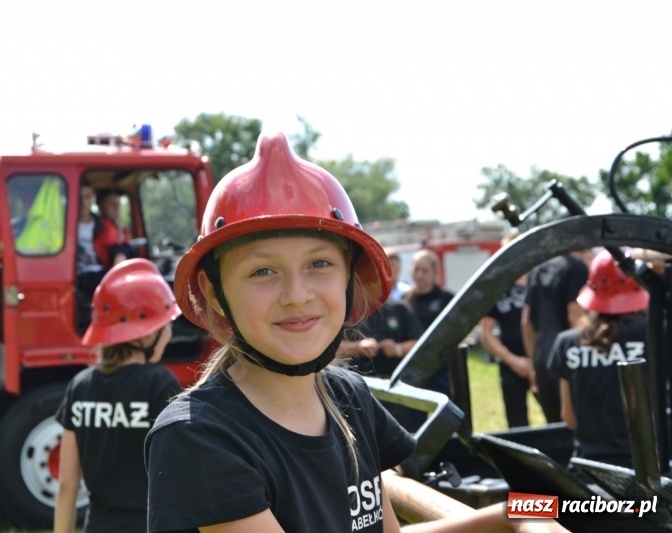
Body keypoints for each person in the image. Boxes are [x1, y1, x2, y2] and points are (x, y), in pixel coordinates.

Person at [145, 132, 560, 533]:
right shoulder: (199, 436)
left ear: (348, 276)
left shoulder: (349, 399)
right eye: (262, 271)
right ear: (214, 294)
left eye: (319, 264)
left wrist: (518, 511)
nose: (296, 295)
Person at [54, 258, 182, 533]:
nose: (169, 334)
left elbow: (67, 484)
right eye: (165, 325)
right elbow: (180, 477)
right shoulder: (159, 384)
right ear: (146, 335)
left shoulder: (80, 386)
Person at [548, 249, 648, 468]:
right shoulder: (656, 335)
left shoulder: (566, 342)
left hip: (587, 471)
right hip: (643, 472)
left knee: (519, 504)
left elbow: (570, 418)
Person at [522, 250, 588, 424]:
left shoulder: (536, 270)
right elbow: (575, 315)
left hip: (541, 354)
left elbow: (526, 322)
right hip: (568, 355)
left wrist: (533, 362)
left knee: (553, 424)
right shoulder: (577, 267)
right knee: (576, 423)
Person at [480, 232, 533, 428]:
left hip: (541, 363)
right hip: (511, 364)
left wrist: (537, 361)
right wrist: (513, 361)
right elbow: (486, 333)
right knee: (517, 424)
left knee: (556, 419)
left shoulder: (539, 280)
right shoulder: (498, 286)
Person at [341, 253, 424, 379]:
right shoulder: (347, 310)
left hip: (397, 383)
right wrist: (358, 348)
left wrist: (397, 349)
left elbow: (419, 343)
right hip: (358, 385)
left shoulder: (399, 308)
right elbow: (331, 348)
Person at [404, 249, 455, 398]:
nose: (419, 275)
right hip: (411, 371)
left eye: (425, 271)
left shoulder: (446, 299)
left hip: (441, 370)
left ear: (434, 272)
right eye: (416, 269)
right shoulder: (404, 301)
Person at [75, 179, 106, 334]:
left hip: (100, 272)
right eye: (79, 197)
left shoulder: (103, 225)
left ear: (92, 198)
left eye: (87, 197)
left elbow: (115, 247)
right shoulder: (67, 226)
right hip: (77, 274)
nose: (83, 202)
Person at [93, 189, 133, 269]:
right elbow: (116, 253)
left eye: (118, 203)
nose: (116, 207)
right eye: (111, 203)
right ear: (101, 206)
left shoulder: (121, 227)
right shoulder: (98, 226)